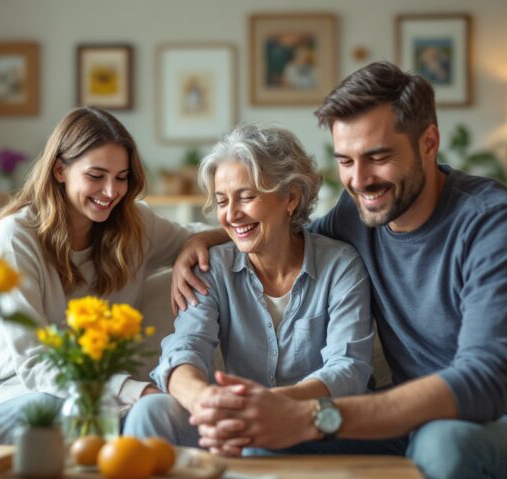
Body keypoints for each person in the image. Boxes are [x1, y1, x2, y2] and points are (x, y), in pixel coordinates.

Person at [175, 62, 507, 479]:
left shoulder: (498, 225)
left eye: (378, 156)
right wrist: (202, 240)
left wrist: (310, 416)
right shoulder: (359, 212)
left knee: (443, 443)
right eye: (345, 160)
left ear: (429, 143)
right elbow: (287, 231)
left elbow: (485, 381)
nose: (359, 179)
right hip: (407, 424)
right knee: (261, 443)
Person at [0, 106, 225, 443]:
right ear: (60, 169)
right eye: (96, 175)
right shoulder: (15, 236)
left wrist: (198, 242)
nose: (111, 192)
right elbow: (34, 363)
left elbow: (208, 233)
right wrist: (130, 389)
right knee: (68, 408)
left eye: (121, 177)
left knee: (157, 412)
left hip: (99, 395)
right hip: (15, 393)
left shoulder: (135, 227)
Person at [124, 123, 375, 448]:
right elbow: (185, 348)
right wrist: (204, 400)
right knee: (151, 411)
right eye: (222, 201)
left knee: (267, 444)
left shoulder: (340, 265)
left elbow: (349, 368)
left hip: (315, 423)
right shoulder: (212, 267)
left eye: (246, 197)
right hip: (238, 419)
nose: (231, 215)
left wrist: (271, 407)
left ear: (291, 198)